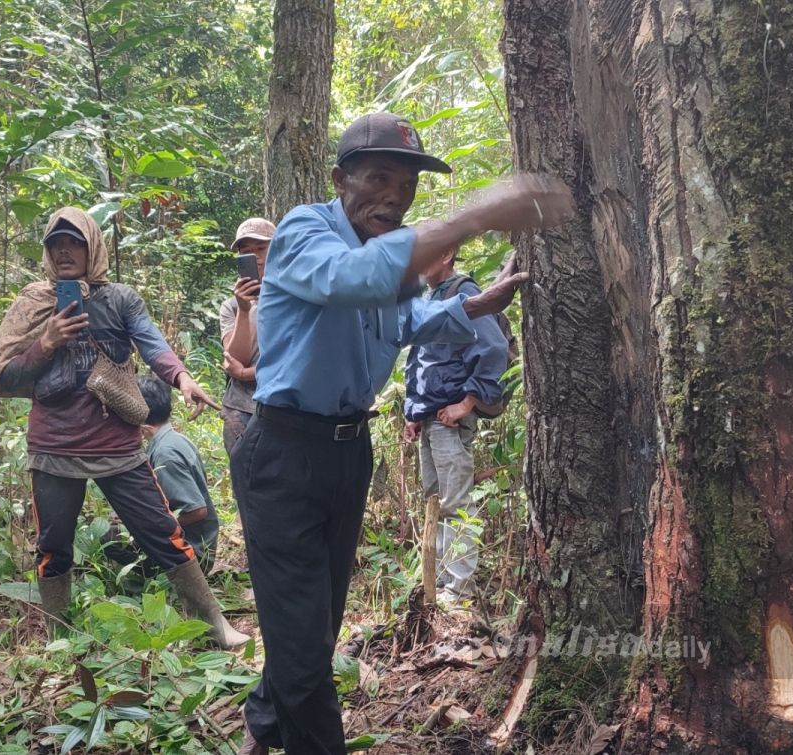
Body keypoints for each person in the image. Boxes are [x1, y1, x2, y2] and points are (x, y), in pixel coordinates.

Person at [231, 112, 573, 755]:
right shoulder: (307, 231)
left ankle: (263, 723)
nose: (394, 195)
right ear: (340, 179)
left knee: (315, 625)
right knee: (305, 652)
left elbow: (402, 318)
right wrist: (477, 214)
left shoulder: (389, 257)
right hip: (283, 453)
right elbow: (353, 283)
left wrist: (474, 306)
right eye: (378, 178)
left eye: (407, 183)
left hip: (346, 453)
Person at [0, 207, 248, 649]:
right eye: (55, 243)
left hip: (116, 443)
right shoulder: (33, 304)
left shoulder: (120, 299)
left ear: (93, 247)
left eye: (74, 242)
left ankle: (213, 623)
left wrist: (182, 378)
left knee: (163, 531)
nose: (64, 250)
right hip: (54, 446)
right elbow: (1, 375)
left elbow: (151, 342)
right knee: (54, 546)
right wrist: (46, 342)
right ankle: (58, 638)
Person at [402, 251, 509, 602]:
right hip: (430, 419)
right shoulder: (429, 300)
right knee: (436, 501)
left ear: (445, 253)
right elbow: (420, 361)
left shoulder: (464, 295)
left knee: (455, 502)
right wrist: (413, 411)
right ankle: (443, 581)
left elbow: (492, 348)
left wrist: (467, 403)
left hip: (450, 421)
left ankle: (460, 588)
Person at [102, 376, 221, 574]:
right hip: (193, 544)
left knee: (109, 539)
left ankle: (162, 583)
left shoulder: (166, 454)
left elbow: (197, 510)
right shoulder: (173, 440)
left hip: (192, 553)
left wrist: (144, 525)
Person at [220, 217, 275, 455]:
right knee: (244, 479)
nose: (257, 258)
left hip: (282, 406)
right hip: (241, 406)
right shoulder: (231, 306)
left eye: (262, 249)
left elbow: (296, 361)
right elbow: (235, 360)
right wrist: (244, 310)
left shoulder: (295, 299)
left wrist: (246, 373)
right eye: (247, 252)